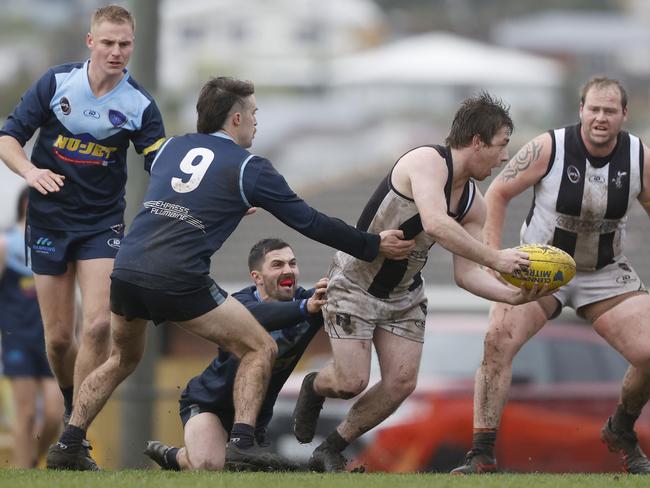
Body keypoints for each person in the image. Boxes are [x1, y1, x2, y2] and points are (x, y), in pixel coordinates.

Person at [46, 76, 415, 471]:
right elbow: (308, 221)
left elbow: (184, 188)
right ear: (236, 118)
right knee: (260, 348)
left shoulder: (171, 147)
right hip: (178, 276)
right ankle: (242, 441)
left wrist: (224, 202)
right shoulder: (249, 167)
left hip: (128, 270)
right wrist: (371, 245)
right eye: (254, 113)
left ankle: (68, 443)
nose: (257, 121)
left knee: (120, 359)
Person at [291, 92, 547, 472]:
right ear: (477, 142)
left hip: (404, 295)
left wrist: (514, 294)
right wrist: (497, 257)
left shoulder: (473, 204)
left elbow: (465, 275)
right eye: (501, 145)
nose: (504, 157)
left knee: (401, 382)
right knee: (351, 382)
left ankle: (330, 447)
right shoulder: (426, 161)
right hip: (355, 283)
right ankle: (315, 386)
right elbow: (435, 223)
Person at [452, 76, 650, 475]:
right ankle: (482, 453)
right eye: (593, 109)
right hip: (541, 269)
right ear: (581, 110)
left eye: (609, 111)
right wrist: (495, 258)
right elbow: (498, 193)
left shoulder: (639, 157)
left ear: (623, 115)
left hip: (605, 271)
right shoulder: (549, 147)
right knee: (497, 341)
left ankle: (621, 428)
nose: (600, 117)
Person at [0, 4, 165, 457]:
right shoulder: (56, 83)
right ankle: (77, 404)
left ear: (132, 46)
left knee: (97, 326)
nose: (116, 51)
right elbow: (8, 138)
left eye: (125, 44)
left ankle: (74, 430)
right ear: (91, 42)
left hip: (101, 224)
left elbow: (162, 165)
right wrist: (31, 173)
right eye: (108, 42)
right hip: (50, 221)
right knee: (58, 338)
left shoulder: (140, 104)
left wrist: (214, 193)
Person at [144, 238, 326, 471]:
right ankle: (176, 456)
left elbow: (336, 293)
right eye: (277, 265)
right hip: (210, 403)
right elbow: (258, 316)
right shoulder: (240, 304)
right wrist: (305, 307)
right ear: (257, 277)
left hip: (254, 415)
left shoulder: (309, 302)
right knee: (208, 465)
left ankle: (238, 445)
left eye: (292, 263)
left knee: (238, 470)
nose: (288, 270)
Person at [0, 188, 64, 467]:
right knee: (24, 414)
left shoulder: (55, 243)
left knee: (54, 413)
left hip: (51, 338)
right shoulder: (6, 242)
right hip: (17, 337)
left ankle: (30, 463)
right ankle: (24, 470)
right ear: (27, 203)